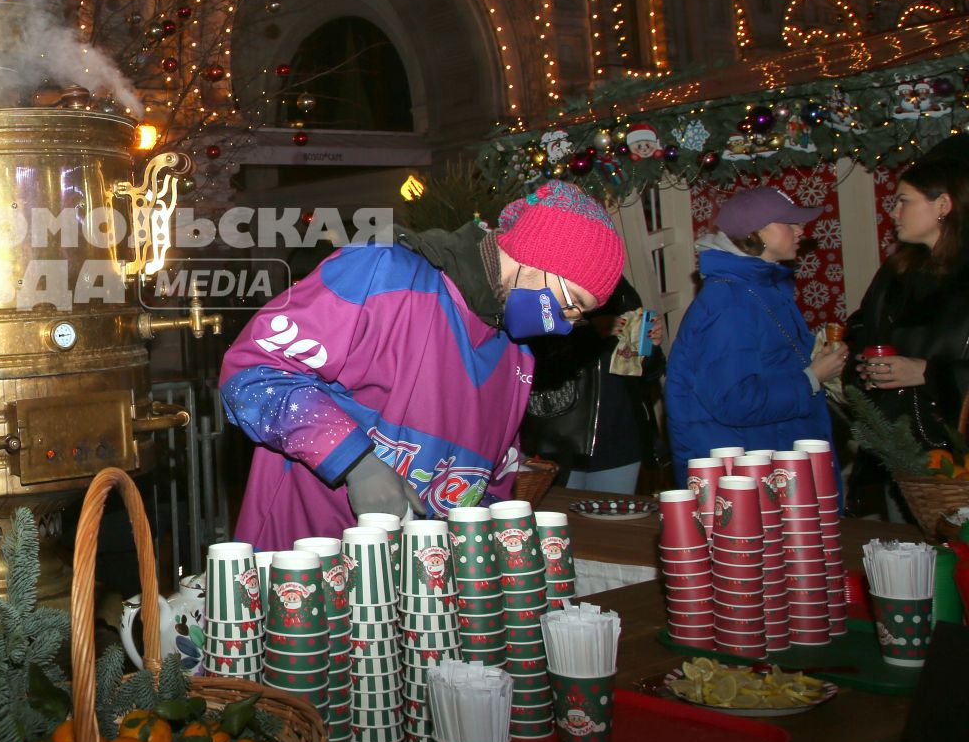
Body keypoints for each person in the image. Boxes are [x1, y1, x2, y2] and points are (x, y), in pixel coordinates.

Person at [221, 180, 624, 546]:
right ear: (534, 256)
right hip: (303, 564)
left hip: (411, 591)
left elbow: (492, 477)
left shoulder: (516, 356)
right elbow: (254, 371)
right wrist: (355, 462)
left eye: (577, 316)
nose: (565, 326)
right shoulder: (384, 275)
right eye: (569, 304)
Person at [664, 187, 847, 473]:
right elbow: (734, 400)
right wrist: (813, 377)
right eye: (790, 223)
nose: (800, 231)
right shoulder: (729, 301)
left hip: (769, 458)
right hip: (745, 475)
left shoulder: (763, 288)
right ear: (756, 232)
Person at [847, 155, 969, 511]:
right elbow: (862, 331)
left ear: (943, 205)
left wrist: (926, 372)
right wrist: (866, 369)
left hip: (955, 460)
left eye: (904, 201)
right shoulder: (897, 273)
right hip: (899, 452)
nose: (894, 212)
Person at [522, 278, 666, 495]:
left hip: (619, 436)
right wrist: (590, 333)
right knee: (562, 521)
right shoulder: (539, 280)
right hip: (558, 436)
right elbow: (528, 355)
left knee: (612, 525)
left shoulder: (620, 288)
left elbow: (645, 373)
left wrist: (650, 349)